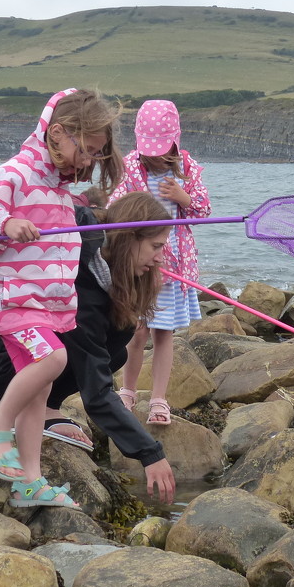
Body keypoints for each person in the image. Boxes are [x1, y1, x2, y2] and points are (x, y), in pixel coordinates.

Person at [0, 88, 123, 510]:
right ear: (59, 132)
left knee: (40, 390)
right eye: (85, 150)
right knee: (54, 360)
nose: (87, 161)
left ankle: (29, 482)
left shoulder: (60, 190)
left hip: (42, 306)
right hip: (5, 301)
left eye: (96, 155)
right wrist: (6, 222)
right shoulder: (16, 171)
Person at [0, 192, 177, 504]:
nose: (160, 257)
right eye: (155, 247)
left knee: (115, 348)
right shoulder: (82, 289)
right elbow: (97, 393)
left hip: (26, 356)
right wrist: (150, 453)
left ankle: (46, 417)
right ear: (128, 239)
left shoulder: (102, 266)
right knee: (73, 354)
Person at [107, 100, 211, 425]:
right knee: (136, 332)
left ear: (174, 142)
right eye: (149, 151)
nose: (153, 158)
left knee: (163, 334)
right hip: (140, 268)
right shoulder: (131, 167)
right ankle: (127, 392)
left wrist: (184, 199)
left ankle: (159, 400)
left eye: (160, 152)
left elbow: (203, 211)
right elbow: (115, 207)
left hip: (173, 268)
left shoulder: (188, 169)